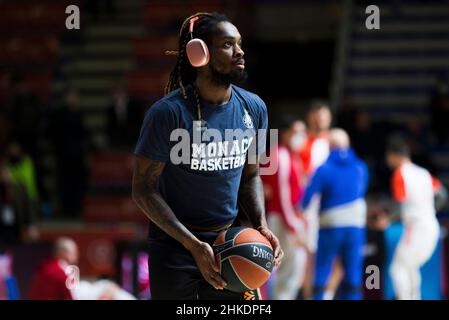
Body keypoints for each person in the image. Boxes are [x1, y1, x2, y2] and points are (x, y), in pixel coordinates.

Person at [132, 12, 283, 300]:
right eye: (228, 44)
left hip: (230, 242)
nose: (240, 51)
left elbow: (252, 176)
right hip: (174, 247)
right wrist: (192, 244)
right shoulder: (166, 113)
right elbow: (142, 190)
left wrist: (261, 225)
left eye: (240, 43)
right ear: (199, 53)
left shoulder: (255, 108)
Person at [301, 129, 369, 300]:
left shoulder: (324, 169)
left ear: (329, 146)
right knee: (353, 276)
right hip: (355, 226)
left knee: (322, 271)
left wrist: (301, 209)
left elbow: (307, 199)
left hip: (330, 226)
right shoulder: (361, 167)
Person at [386, 136, 441, 300]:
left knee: (397, 269)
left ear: (394, 155)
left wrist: (387, 219)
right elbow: (442, 195)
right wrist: (427, 211)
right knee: (410, 267)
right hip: (431, 225)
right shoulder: (423, 172)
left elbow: (399, 205)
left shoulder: (400, 173)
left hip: (416, 228)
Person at [261, 117, 307, 300]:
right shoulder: (281, 156)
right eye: (297, 132)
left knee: (287, 268)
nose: (301, 137)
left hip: (283, 217)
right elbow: (282, 196)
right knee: (289, 267)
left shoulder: (289, 155)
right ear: (286, 133)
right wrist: (294, 224)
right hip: (281, 218)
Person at [298, 100, 332, 298]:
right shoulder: (302, 142)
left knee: (333, 255)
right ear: (310, 118)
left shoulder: (335, 142)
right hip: (309, 208)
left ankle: (327, 294)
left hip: (332, 207)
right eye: (316, 117)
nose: (319, 121)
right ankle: (309, 295)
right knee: (310, 255)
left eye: (323, 117)